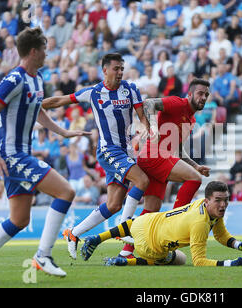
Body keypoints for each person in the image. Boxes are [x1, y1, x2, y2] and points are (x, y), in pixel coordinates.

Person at [0, 28, 91, 283]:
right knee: (66, 191)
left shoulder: (37, 79)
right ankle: (43, 255)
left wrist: (61, 131)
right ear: (33, 51)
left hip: (20, 154)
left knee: (19, 219)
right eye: (44, 48)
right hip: (12, 156)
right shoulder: (14, 79)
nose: (46, 52)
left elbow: (37, 110)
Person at [41, 53, 150, 260]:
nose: (120, 72)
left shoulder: (131, 89)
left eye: (122, 69)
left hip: (126, 151)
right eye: (116, 68)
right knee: (142, 180)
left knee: (113, 204)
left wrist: (147, 129)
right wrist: (32, 105)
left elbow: (142, 116)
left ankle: (73, 233)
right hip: (108, 150)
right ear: (105, 70)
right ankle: (125, 227)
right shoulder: (93, 92)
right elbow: (60, 100)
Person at [114, 78, 212, 258]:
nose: (204, 97)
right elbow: (149, 103)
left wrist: (195, 165)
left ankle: (125, 252)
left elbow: (178, 150)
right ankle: (175, 226)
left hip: (158, 159)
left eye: (206, 94)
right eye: (200, 93)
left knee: (151, 209)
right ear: (189, 94)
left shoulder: (191, 119)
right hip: (154, 154)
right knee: (194, 180)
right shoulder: (177, 103)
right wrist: (152, 127)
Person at [81, 181, 242, 267]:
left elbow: (220, 234)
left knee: (134, 223)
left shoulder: (205, 206)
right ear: (208, 201)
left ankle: (97, 238)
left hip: (146, 222)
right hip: (149, 247)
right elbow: (199, 261)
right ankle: (127, 262)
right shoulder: (200, 223)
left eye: (226, 200)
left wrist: (238, 245)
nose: (223, 205)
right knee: (180, 259)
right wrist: (231, 263)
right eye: (218, 200)